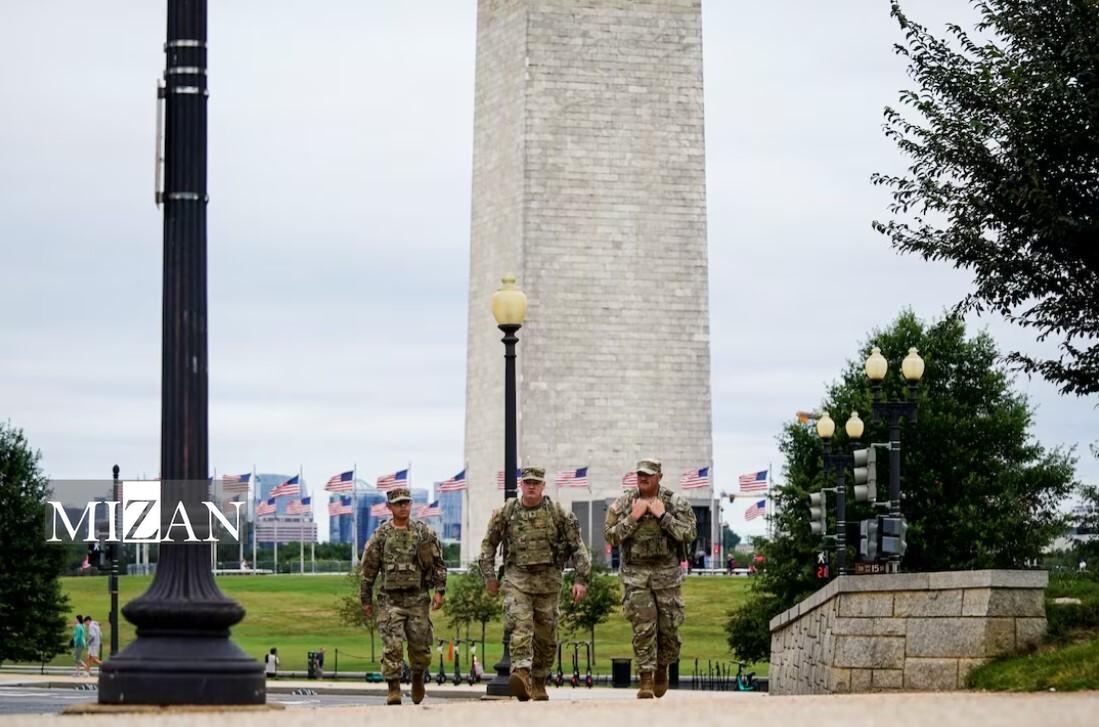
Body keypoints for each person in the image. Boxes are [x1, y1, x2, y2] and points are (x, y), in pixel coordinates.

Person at [480, 466, 591, 701]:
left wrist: (581, 579)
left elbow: (577, 547)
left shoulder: (558, 513)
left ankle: (539, 680)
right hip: (516, 579)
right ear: (521, 485)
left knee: (546, 637)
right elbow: (489, 544)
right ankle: (520, 673)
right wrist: (489, 576)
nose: (531, 486)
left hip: (548, 582)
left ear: (543, 485)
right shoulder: (507, 512)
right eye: (527, 482)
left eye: (536, 483)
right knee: (520, 625)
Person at [604, 458, 697, 699]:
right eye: (640, 474)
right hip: (636, 576)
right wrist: (632, 519)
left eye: (648, 474)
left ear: (659, 477)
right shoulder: (625, 502)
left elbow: (690, 533)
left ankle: (662, 668)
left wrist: (663, 516)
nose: (643, 478)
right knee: (643, 628)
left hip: (667, 576)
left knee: (669, 629)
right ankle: (645, 679)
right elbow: (610, 536)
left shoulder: (675, 502)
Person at [361, 487, 448, 706]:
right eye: (398, 503)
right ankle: (394, 688)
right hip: (390, 601)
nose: (403, 507)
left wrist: (439, 590)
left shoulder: (423, 532)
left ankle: (418, 676)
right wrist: (365, 599)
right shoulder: (381, 536)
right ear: (389, 507)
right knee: (392, 646)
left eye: (406, 503)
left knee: (421, 648)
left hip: (417, 599)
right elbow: (368, 570)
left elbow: (438, 564)